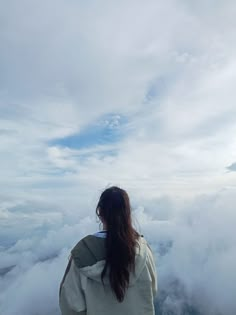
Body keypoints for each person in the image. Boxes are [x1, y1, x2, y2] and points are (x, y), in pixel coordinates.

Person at [59, 186, 157, 315]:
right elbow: (152, 290)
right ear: (127, 213)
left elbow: (71, 306)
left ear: (100, 212)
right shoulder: (143, 250)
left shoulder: (82, 255)